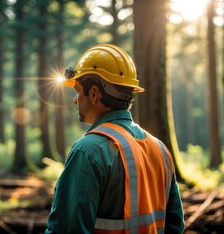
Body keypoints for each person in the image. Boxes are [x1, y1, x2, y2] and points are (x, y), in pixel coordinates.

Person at [45, 44, 185, 233]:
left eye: (78, 91)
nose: (75, 99)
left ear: (94, 93)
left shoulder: (88, 151)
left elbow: (66, 230)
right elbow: (175, 225)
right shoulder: (160, 149)